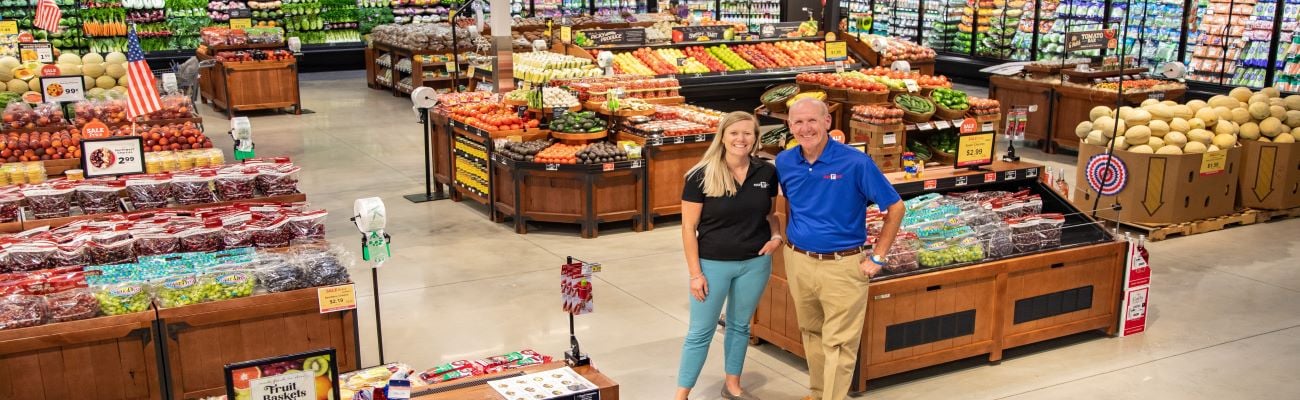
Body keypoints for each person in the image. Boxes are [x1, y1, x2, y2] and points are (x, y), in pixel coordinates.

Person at [775, 98, 905, 400]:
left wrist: (878, 256)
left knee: (839, 343)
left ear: (827, 123)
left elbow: (895, 208)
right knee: (811, 332)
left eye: (812, 121)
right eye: (798, 122)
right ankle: (818, 392)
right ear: (790, 126)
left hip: (843, 265)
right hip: (799, 261)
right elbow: (784, 203)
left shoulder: (855, 162)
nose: (805, 128)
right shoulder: (785, 162)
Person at [676, 111, 781, 400]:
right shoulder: (700, 175)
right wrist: (695, 274)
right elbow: (688, 228)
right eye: (735, 133)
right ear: (722, 136)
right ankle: (681, 394)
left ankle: (732, 384)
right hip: (712, 266)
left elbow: (770, 214)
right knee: (701, 331)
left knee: (739, 325)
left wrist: (776, 236)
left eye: (748, 133)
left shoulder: (767, 172)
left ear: (756, 138)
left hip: (755, 263)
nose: (741, 139)